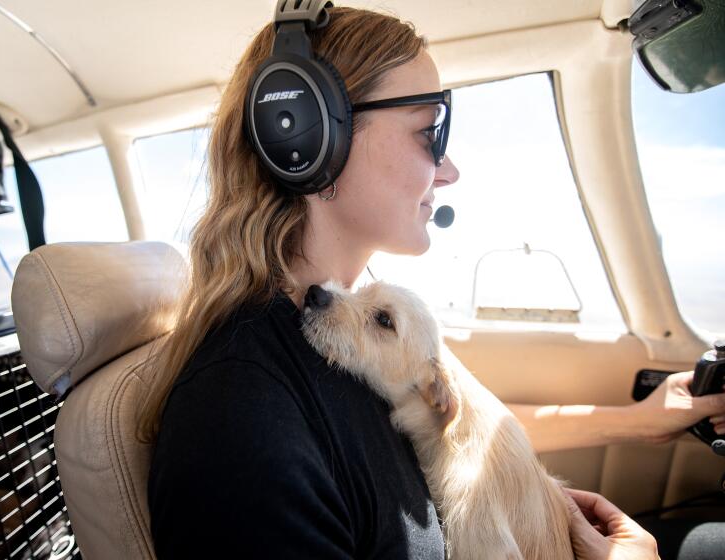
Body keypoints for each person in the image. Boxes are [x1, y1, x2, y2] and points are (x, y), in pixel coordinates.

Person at [140, 5, 725, 559]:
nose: (449, 170)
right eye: (430, 132)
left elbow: (468, 422)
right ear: (307, 138)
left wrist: (641, 421)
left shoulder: (355, 324)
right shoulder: (241, 422)